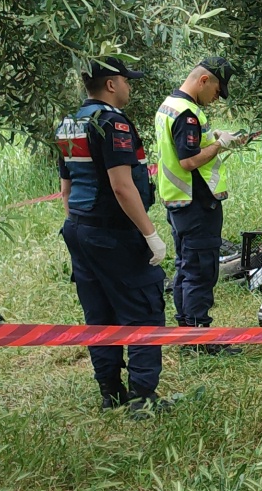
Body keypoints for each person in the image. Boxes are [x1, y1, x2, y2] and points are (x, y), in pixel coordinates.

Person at [55, 58, 175, 415]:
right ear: (111, 84)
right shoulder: (112, 122)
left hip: (79, 228)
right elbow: (122, 187)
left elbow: (66, 187)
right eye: (126, 80)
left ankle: (111, 392)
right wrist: (150, 234)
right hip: (113, 233)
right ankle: (142, 398)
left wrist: (78, 228)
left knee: (100, 312)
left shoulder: (70, 124)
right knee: (143, 309)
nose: (129, 87)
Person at [154, 56, 253, 340]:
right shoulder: (186, 113)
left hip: (177, 202)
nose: (216, 98)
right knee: (200, 269)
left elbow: (187, 145)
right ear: (204, 80)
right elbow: (188, 161)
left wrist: (216, 137)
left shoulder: (169, 106)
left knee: (185, 266)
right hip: (196, 203)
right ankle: (199, 335)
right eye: (216, 91)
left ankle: (186, 327)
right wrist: (220, 146)